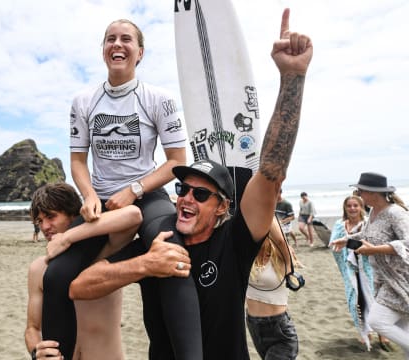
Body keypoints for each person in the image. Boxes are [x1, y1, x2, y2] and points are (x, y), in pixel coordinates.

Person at [70, 9, 313, 358]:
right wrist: (144, 265)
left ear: (222, 208)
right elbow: (81, 285)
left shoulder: (234, 242)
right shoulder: (159, 242)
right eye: (182, 189)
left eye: (201, 194)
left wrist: (293, 78)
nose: (186, 199)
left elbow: (271, 172)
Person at [49, 17, 197, 359]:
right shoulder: (83, 101)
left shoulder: (158, 99)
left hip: (148, 195)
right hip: (100, 200)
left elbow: (177, 161)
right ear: (103, 51)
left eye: (126, 39)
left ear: (140, 52)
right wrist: (88, 196)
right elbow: (77, 161)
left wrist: (135, 189)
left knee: (172, 255)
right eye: (110, 39)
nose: (117, 44)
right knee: (57, 274)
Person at [24, 182, 143, 360]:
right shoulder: (38, 268)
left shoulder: (105, 253)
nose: (44, 226)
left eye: (51, 217)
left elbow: (133, 215)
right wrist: (36, 352)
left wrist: (67, 237)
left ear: (74, 216)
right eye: (40, 221)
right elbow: (32, 328)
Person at [331, 173, 409, 358]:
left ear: (373, 193)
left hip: (401, 278)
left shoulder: (395, 213)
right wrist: (346, 239)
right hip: (383, 279)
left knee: (377, 321)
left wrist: (375, 250)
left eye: (360, 191)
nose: (358, 194)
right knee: (402, 327)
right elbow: (366, 234)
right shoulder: (374, 212)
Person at [329, 194, 390, 351]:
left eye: (355, 205)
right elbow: (333, 245)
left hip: (369, 269)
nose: (352, 208)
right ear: (345, 208)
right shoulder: (339, 225)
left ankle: (382, 334)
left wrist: (350, 243)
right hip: (351, 270)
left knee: (376, 301)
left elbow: (374, 245)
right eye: (349, 206)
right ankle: (364, 332)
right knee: (355, 302)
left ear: (362, 207)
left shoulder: (368, 224)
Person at [246, 219, 300, 359]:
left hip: (279, 330)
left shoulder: (281, 254)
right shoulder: (246, 252)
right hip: (254, 327)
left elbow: (269, 217)